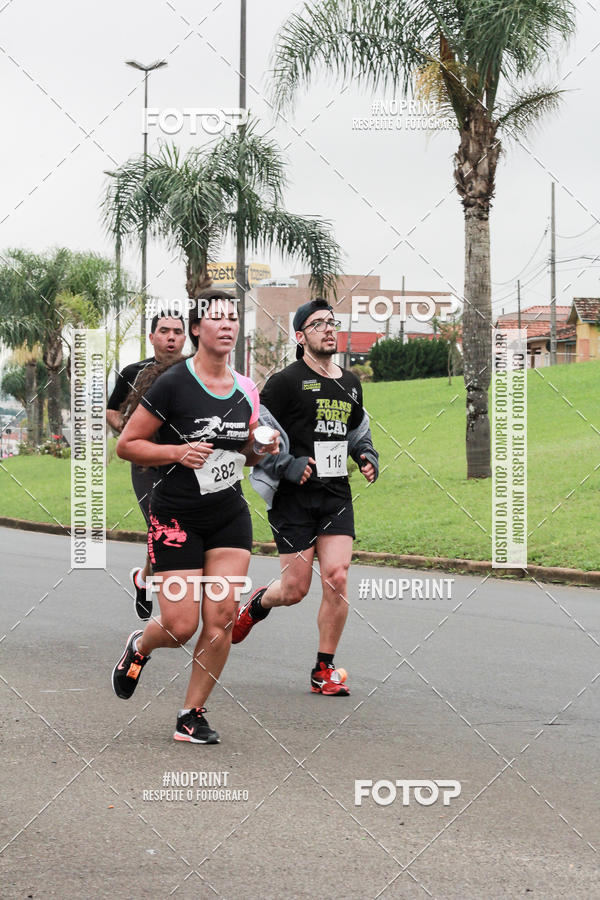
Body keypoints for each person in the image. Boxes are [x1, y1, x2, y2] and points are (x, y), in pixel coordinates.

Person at [111, 290, 278, 744]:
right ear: (198, 329)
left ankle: (191, 714)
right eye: (216, 319)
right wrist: (176, 452)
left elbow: (245, 453)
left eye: (233, 318)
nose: (227, 325)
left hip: (227, 515)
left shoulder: (246, 388)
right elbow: (127, 444)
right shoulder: (173, 384)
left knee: (222, 615)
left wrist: (261, 449)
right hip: (176, 516)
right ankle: (140, 645)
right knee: (179, 626)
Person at [232, 298, 378, 696]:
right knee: (294, 590)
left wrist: (366, 456)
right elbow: (258, 436)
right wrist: (287, 463)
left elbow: (357, 433)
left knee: (337, 577)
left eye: (332, 322)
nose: (329, 329)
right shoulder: (284, 383)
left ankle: (323, 670)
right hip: (293, 498)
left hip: (335, 495)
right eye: (318, 324)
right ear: (300, 336)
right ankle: (259, 603)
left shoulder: (349, 383)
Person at [106, 312, 186, 619]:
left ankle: (144, 578)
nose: (170, 337)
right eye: (163, 331)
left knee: (176, 529)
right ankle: (174, 613)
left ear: (184, 338)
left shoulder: (195, 370)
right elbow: (112, 411)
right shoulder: (134, 371)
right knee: (161, 527)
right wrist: (128, 431)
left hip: (186, 462)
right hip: (146, 464)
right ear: (151, 337)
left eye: (177, 332)